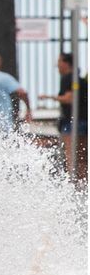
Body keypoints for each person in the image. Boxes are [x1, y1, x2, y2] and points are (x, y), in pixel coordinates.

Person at [39, 53, 87, 182]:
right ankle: (83, 182)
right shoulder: (79, 78)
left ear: (66, 63)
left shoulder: (68, 78)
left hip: (72, 122)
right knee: (82, 156)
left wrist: (49, 97)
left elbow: (69, 98)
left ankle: (74, 183)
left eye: (59, 61)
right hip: (83, 120)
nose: (57, 65)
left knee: (71, 156)